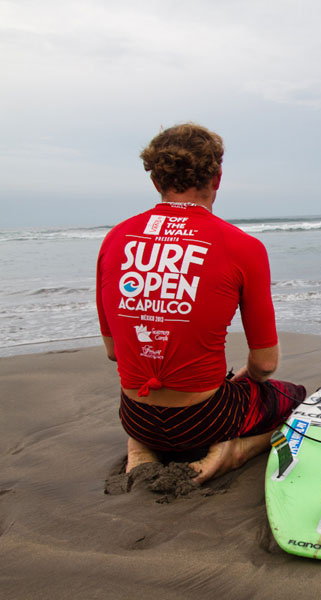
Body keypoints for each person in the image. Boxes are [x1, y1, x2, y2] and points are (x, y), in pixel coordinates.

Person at [96, 123, 305, 484]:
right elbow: (266, 364)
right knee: (292, 396)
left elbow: (115, 353)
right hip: (203, 421)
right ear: (218, 177)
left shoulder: (115, 239)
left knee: (151, 400)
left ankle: (141, 445)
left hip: (135, 415)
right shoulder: (243, 247)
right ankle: (235, 451)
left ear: (156, 181)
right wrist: (246, 380)